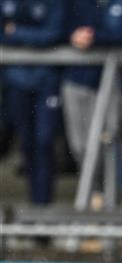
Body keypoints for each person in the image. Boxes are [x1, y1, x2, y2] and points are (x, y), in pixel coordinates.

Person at [62, 0, 122, 207]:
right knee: (80, 146)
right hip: (76, 79)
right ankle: (98, 197)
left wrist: (94, 38)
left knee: (107, 142)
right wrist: (72, 36)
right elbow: (60, 26)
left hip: (108, 80)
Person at [0, 0, 68, 205]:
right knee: (27, 144)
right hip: (15, 80)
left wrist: (16, 32)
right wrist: (28, 35)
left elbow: (54, 34)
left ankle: (43, 205)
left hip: (46, 80)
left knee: (44, 142)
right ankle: (35, 203)